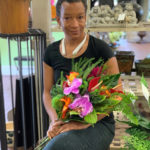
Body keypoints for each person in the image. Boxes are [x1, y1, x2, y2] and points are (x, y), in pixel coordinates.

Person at [43, 0, 122, 149]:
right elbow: (47, 92)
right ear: (59, 20)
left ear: (86, 18)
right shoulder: (51, 52)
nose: (75, 24)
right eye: (67, 18)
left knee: (57, 147)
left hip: (98, 124)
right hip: (65, 121)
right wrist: (55, 120)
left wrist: (83, 124)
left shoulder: (101, 49)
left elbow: (117, 94)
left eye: (80, 17)